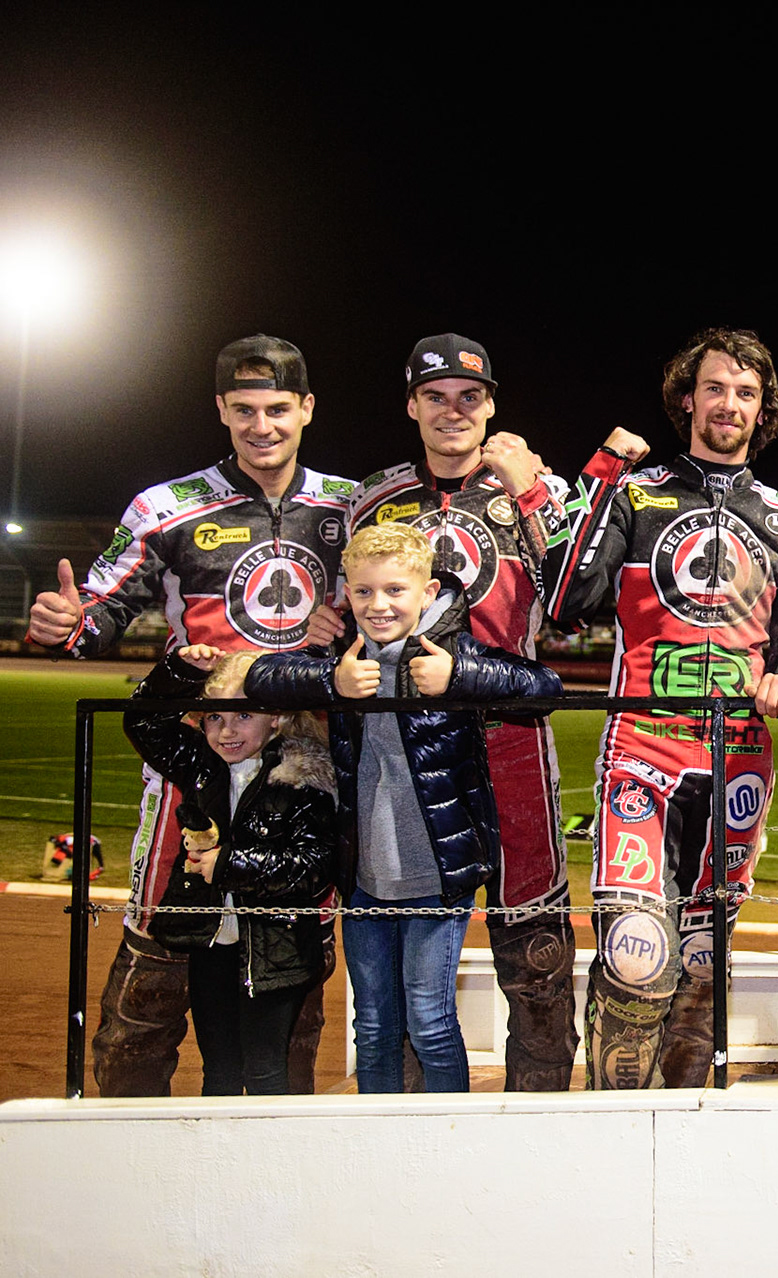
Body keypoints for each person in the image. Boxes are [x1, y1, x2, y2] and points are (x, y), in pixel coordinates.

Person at [26, 334, 349, 1097]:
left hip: (305, 775)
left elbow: (396, 597)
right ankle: (125, 1146)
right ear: (220, 411)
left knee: (292, 976)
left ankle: (279, 1144)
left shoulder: (349, 502)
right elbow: (101, 610)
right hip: (191, 772)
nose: (261, 426)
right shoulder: (168, 507)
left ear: (306, 409)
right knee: (154, 972)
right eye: (244, 410)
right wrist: (68, 622)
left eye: (277, 408)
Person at [543, 328, 778, 1089]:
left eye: (745, 392)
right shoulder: (636, 495)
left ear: (763, 409)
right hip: (643, 746)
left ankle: (688, 1142)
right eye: (715, 387)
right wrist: (601, 474)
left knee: (702, 970)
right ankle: (612, 1129)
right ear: (687, 398)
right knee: (637, 953)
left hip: (738, 762)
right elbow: (566, 599)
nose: (728, 403)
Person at [247, 522, 564, 1093]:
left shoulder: (451, 647)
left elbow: (544, 685)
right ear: (347, 592)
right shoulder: (342, 654)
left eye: (396, 590)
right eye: (364, 591)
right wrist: (330, 680)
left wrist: (460, 675)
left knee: (430, 1021)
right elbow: (261, 676)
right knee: (371, 1025)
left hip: (436, 871)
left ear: (425, 591)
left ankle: (446, 1139)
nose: (379, 605)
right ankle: (377, 1143)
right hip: (364, 874)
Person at [347, 334, 578, 1091]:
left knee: (535, 955)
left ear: (492, 405)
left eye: (469, 397)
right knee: (408, 974)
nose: (453, 412)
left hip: (512, 745)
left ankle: (533, 1131)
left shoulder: (534, 486)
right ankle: (412, 1139)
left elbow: (581, 599)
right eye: (436, 397)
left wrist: (535, 493)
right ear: (411, 405)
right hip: (407, 757)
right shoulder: (373, 497)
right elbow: (338, 606)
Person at [123, 648, 336, 1095]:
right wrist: (180, 672)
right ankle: (214, 1163)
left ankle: (267, 1163)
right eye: (214, 717)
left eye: (242, 715)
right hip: (210, 943)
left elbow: (315, 869)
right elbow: (142, 723)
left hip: (277, 951)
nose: (226, 731)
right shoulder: (201, 765)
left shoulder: (304, 776)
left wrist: (229, 866)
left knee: (265, 1070)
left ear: (276, 718)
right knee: (218, 1070)